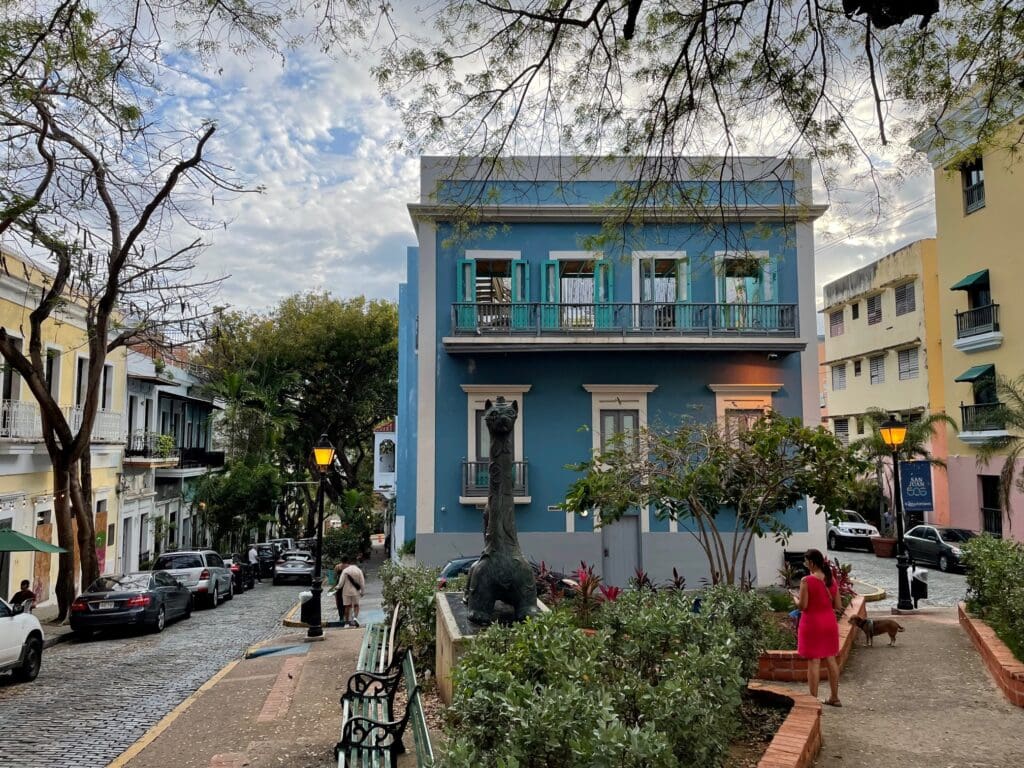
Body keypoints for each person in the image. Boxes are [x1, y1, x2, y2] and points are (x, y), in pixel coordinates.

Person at [795, 548, 843, 706]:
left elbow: (803, 606)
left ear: (811, 562)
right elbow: (838, 606)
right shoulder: (831, 580)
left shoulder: (806, 581)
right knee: (831, 659)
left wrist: (794, 599)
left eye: (806, 561)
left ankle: (813, 700)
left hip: (812, 624)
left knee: (814, 662)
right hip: (829, 623)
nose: (805, 564)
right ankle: (834, 697)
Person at [335, 558, 365, 627]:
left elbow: (341, 583)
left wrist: (336, 588)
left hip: (346, 592)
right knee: (356, 605)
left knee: (347, 607)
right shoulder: (359, 570)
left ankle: (346, 623)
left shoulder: (345, 571)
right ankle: (355, 618)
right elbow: (362, 582)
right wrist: (362, 592)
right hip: (356, 592)